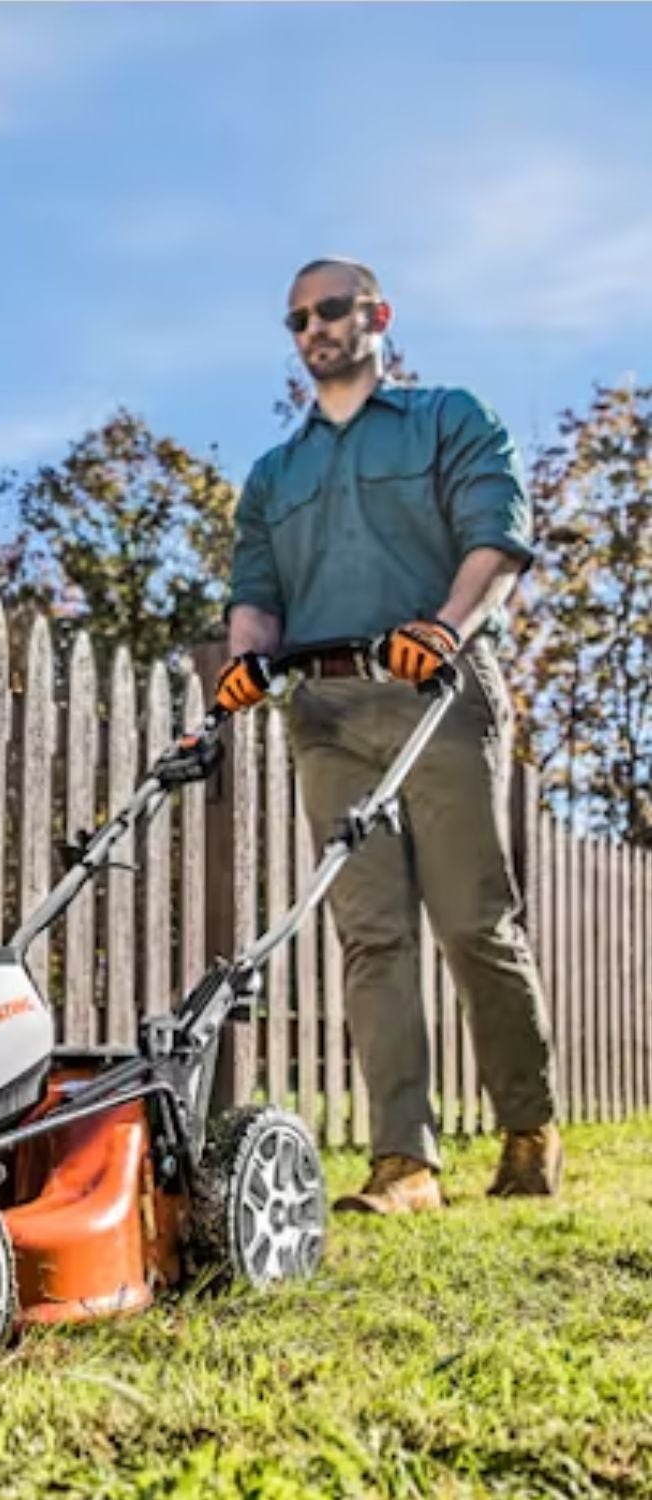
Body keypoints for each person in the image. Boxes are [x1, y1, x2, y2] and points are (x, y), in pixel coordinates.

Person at [218, 256, 562, 1213]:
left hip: (432, 691)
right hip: (324, 715)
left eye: (332, 310)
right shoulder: (273, 474)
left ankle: (529, 1130)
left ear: (377, 314)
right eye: (298, 320)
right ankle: (404, 1164)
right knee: (370, 937)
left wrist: (443, 629)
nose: (315, 328)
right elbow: (257, 598)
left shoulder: (451, 418)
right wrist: (248, 660)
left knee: (470, 922)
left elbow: (497, 543)